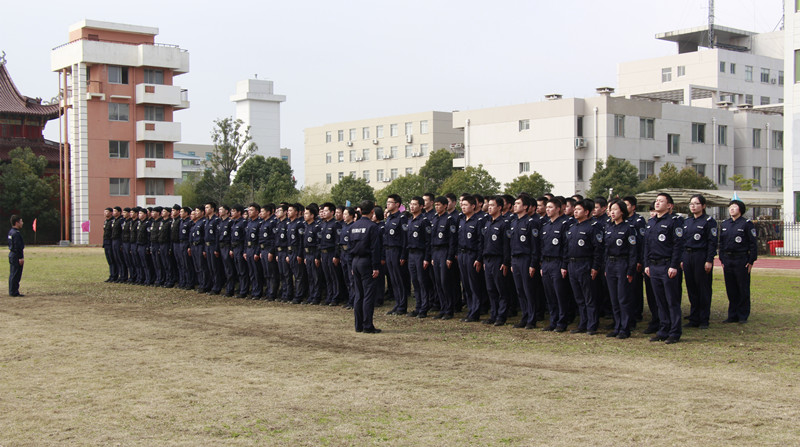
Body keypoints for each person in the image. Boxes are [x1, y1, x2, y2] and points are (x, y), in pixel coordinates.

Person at [643, 192, 685, 344]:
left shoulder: (674, 222)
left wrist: (674, 265)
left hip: (667, 265)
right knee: (659, 300)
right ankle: (663, 329)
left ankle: (675, 332)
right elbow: (647, 245)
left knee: (671, 300)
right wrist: (647, 264)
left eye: (661, 201)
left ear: (669, 205)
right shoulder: (651, 222)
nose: (657, 203)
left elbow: (678, 245)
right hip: (654, 266)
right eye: (656, 201)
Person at [564, 199, 603, 335]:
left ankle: (592, 325)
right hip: (572, 264)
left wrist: (595, 267)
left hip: (585, 264)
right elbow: (567, 248)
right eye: (575, 209)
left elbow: (598, 249)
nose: (575, 211)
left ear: (587, 212)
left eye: (578, 209)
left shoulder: (593, 227)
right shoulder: (573, 227)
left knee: (589, 297)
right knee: (579, 297)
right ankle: (583, 323)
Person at [603, 199, 638, 339]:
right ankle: (617, 326)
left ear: (622, 211)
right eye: (611, 209)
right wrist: (606, 266)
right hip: (611, 265)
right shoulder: (609, 227)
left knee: (623, 298)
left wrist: (630, 270)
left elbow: (633, 251)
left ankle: (625, 327)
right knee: (614, 299)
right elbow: (606, 249)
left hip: (622, 264)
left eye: (615, 209)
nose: (612, 212)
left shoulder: (628, 228)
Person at [682, 194, 717, 329]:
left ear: (703, 206)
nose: (693, 206)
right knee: (691, 288)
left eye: (696, 203)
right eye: (691, 203)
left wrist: (709, 260)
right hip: (688, 256)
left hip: (701, 256)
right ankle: (694, 317)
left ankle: (704, 318)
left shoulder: (709, 221)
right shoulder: (687, 222)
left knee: (703, 288)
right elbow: (682, 241)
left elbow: (712, 242)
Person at [719, 199, 757, 324]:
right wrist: (722, 258)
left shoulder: (746, 224)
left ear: (740, 209)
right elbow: (721, 243)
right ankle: (732, 314)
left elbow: (753, 244)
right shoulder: (725, 224)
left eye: (734, 207)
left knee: (742, 288)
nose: (732, 209)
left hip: (741, 259)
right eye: (730, 207)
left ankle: (742, 315)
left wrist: (751, 260)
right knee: (731, 288)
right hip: (728, 259)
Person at [350, 200, 382, 333]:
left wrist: (352, 264)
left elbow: (350, 247)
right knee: (368, 295)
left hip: (355, 262)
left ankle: (358, 325)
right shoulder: (372, 226)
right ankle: (367, 325)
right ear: (372, 211)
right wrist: (376, 266)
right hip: (367, 262)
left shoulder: (353, 226)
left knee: (359, 295)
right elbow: (375, 248)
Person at [8, 215, 24, 297]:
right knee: (16, 274)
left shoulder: (11, 232)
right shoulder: (16, 234)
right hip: (16, 256)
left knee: (12, 273)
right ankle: (14, 292)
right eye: (21, 221)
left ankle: (12, 290)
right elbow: (18, 246)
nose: (22, 223)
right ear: (17, 223)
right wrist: (20, 257)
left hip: (12, 254)